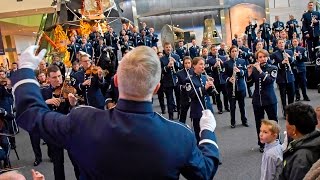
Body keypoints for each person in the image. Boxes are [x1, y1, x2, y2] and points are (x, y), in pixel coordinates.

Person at [12, 45, 220, 179]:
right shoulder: (179, 135)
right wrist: (207, 133)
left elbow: (30, 113)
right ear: (157, 88)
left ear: (117, 81)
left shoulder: (82, 121)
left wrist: (26, 68)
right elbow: (205, 172)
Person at [247, 49, 278, 152]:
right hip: (257, 100)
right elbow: (250, 84)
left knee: (273, 121)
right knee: (259, 123)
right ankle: (261, 143)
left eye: (264, 56)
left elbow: (270, 81)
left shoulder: (273, 68)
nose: (262, 58)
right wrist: (249, 73)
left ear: (267, 57)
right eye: (260, 57)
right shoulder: (255, 69)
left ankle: (276, 141)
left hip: (269, 99)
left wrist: (260, 70)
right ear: (257, 59)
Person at [279, 102, 320, 180]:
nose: (285, 124)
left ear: (294, 128)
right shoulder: (315, 140)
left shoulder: (301, 159)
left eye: (287, 121)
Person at [186, 57, 215, 143]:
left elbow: (209, 93)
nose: (203, 67)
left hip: (208, 109)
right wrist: (204, 88)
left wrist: (211, 87)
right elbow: (191, 95)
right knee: (199, 136)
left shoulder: (204, 77)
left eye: (204, 64)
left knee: (209, 133)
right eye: (201, 64)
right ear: (194, 66)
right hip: (197, 112)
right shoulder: (189, 79)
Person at [223, 46, 249, 128]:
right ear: (230, 53)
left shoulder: (242, 61)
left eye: (236, 51)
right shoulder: (226, 63)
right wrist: (229, 79)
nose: (234, 53)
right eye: (233, 51)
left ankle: (244, 121)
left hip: (241, 87)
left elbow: (246, 72)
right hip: (231, 88)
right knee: (232, 106)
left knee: (242, 106)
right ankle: (233, 122)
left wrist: (240, 71)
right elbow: (223, 75)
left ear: (238, 52)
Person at [270, 39, 295, 117]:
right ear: (277, 45)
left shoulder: (289, 52)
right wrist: (281, 63)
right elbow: (273, 66)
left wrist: (290, 58)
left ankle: (291, 111)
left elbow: (293, 64)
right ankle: (285, 113)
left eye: (282, 43)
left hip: (290, 77)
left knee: (291, 95)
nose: (281, 44)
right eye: (280, 43)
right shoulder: (274, 54)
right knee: (283, 97)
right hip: (281, 78)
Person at [176, 56, 192, 124]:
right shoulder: (179, 73)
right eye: (186, 63)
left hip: (194, 96)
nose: (187, 65)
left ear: (191, 63)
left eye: (189, 63)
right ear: (183, 64)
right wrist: (183, 87)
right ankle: (182, 128)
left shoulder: (194, 71)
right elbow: (177, 85)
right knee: (183, 115)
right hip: (184, 97)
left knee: (195, 115)